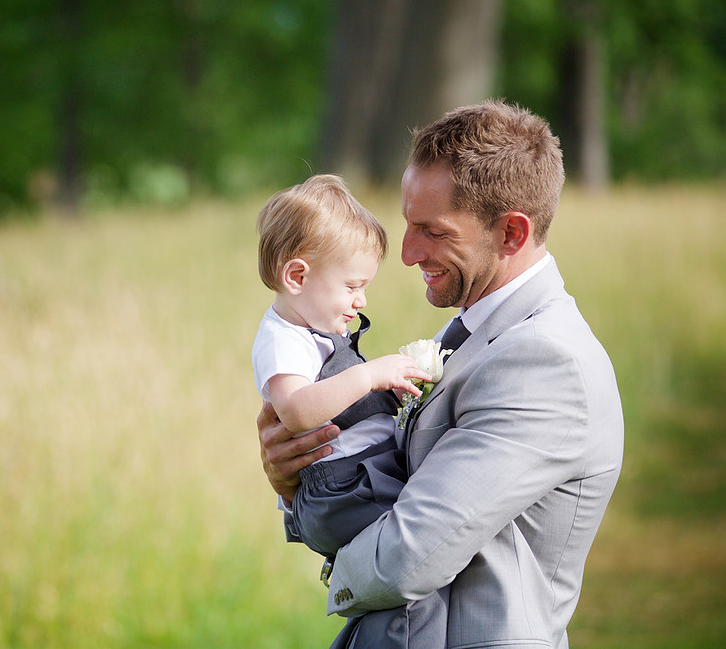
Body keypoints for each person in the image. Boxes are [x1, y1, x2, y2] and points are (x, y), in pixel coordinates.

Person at [257, 101, 624, 649]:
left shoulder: (547, 363)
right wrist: (296, 482)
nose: (406, 253)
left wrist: (334, 560)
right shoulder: (474, 331)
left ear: (512, 234)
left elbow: (407, 557)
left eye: (432, 231)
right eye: (408, 224)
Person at [252, 174, 450, 647]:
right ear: (297, 277)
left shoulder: (316, 330)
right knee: (423, 553)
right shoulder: (282, 340)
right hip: (342, 489)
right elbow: (299, 412)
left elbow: (343, 412)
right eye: (352, 287)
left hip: (356, 480)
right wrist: (369, 375)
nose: (361, 301)